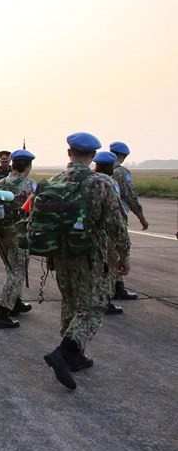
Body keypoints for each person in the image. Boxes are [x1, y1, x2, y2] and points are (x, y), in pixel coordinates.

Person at [41, 133, 130, 390]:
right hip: (91, 253)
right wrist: (123, 255)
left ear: (69, 153)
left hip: (60, 253)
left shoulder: (53, 181)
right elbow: (116, 223)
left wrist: (50, 255)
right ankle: (65, 350)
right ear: (92, 157)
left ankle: (75, 356)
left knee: (70, 300)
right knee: (95, 304)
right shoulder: (100, 183)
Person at [0, 149, 37, 329]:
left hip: (2, 233)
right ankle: (2, 314)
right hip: (19, 234)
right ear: (27, 166)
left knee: (11, 269)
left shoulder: (1, 182)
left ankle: (15, 302)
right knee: (17, 272)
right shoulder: (29, 185)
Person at [108, 141, 148, 302]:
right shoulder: (121, 172)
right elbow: (130, 195)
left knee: (108, 253)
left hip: (101, 220)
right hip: (118, 218)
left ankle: (115, 287)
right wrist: (141, 216)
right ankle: (116, 288)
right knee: (117, 252)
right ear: (123, 156)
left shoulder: (101, 169)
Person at [92, 151, 127, 316]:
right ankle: (105, 301)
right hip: (105, 235)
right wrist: (124, 252)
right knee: (109, 268)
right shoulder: (109, 183)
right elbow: (116, 216)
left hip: (86, 236)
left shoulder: (87, 181)